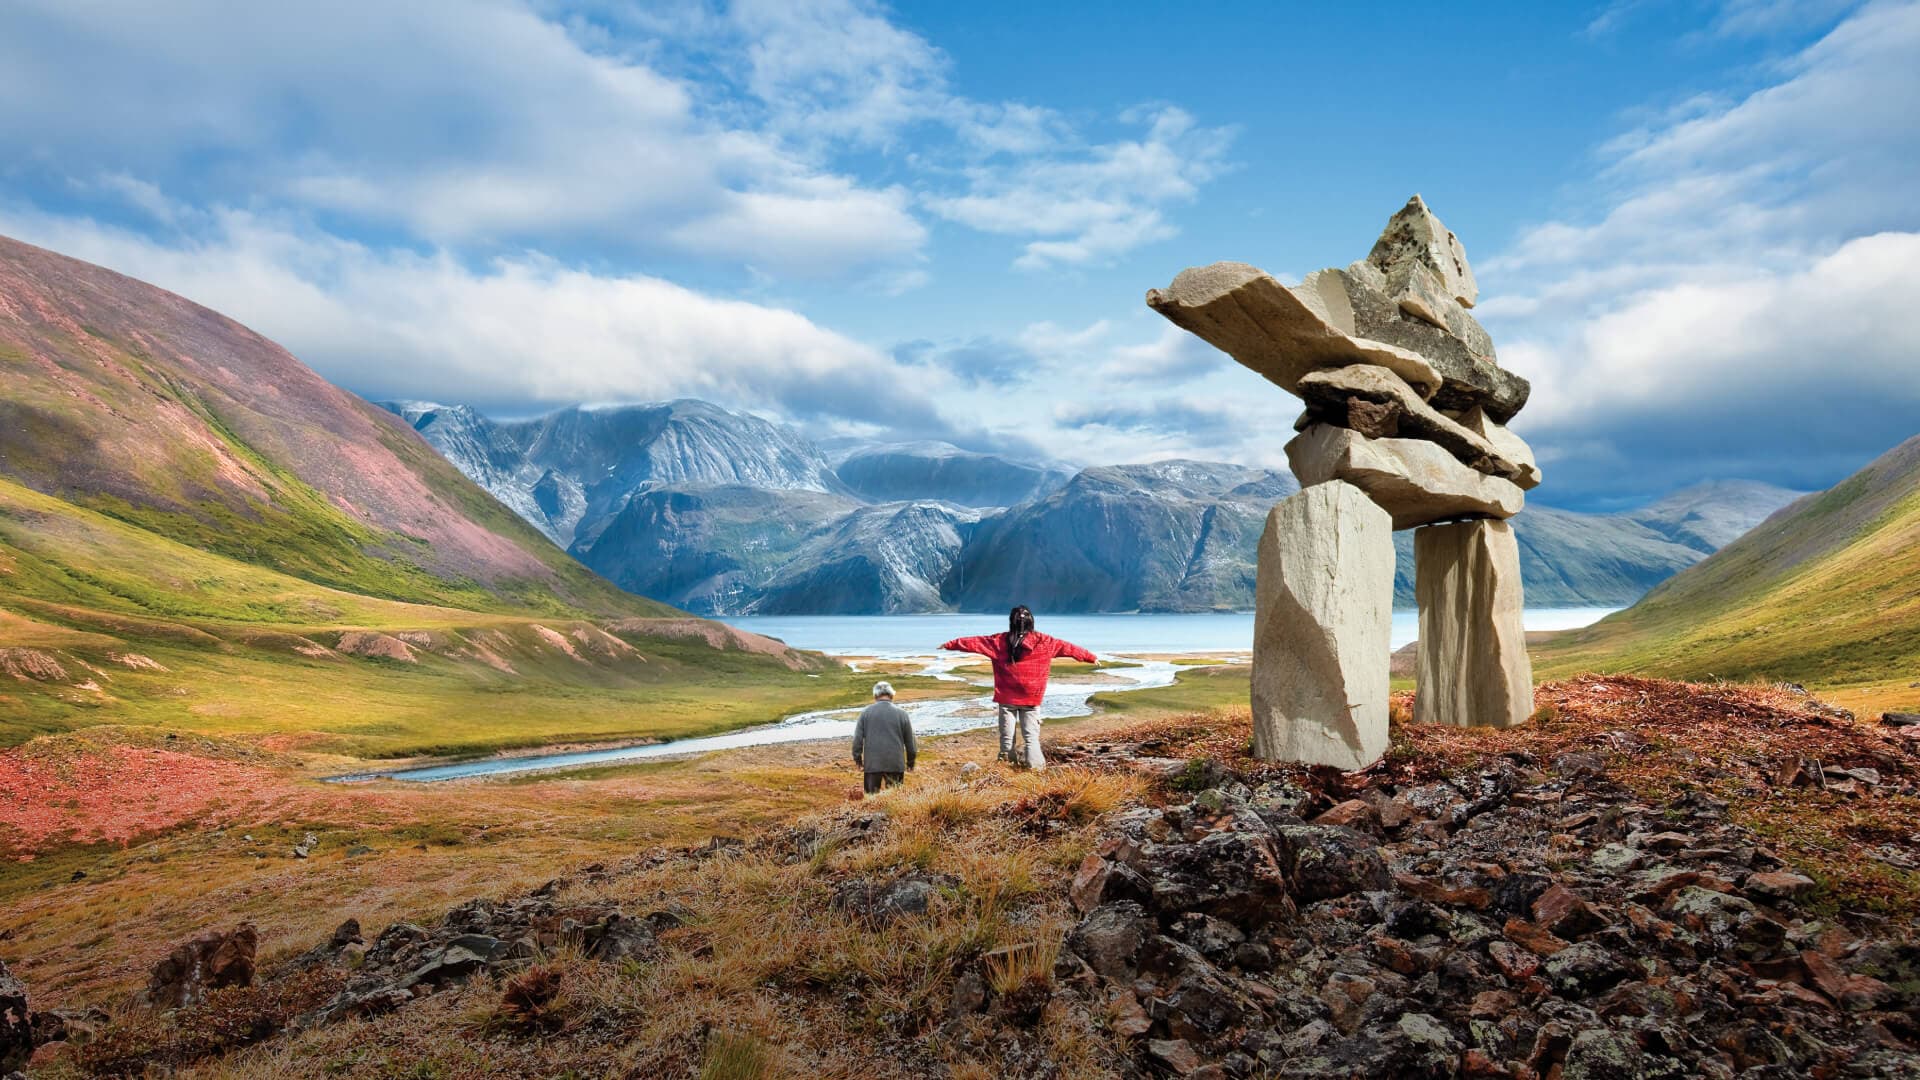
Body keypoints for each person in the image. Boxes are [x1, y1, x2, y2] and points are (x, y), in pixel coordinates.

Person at [940, 606, 1096, 771]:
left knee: (1007, 738)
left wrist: (950, 644)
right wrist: (1090, 657)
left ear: (1011, 622)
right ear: (1031, 622)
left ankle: (1007, 768)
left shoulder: (998, 641)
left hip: (1007, 699)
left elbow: (974, 643)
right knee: (1031, 737)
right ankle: (1036, 770)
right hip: (1031, 698)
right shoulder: (1045, 642)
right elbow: (1069, 648)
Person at [851, 680, 916, 796]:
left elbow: (857, 740)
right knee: (895, 798)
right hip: (895, 763)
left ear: (875, 696)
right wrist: (911, 762)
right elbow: (910, 742)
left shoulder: (865, 713)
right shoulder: (902, 714)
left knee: (871, 800)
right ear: (891, 695)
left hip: (872, 764)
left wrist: (858, 761)